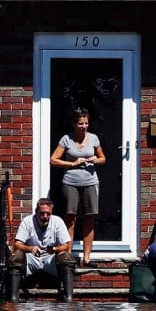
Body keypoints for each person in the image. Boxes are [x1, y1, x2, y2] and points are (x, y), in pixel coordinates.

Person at [50, 108, 106, 265]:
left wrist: (95, 160)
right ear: (74, 124)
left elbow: (103, 159)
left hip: (90, 182)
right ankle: (67, 255)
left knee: (89, 218)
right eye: (81, 123)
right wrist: (72, 163)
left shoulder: (94, 138)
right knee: (70, 218)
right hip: (71, 182)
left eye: (86, 123)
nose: (84, 126)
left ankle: (87, 258)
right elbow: (53, 160)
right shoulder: (66, 139)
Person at [11, 196, 75, 285]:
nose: (45, 216)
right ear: (36, 211)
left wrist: (55, 249)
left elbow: (66, 245)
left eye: (48, 214)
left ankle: (68, 297)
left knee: (66, 257)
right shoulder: (27, 221)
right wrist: (30, 248)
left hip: (50, 258)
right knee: (16, 256)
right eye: (42, 213)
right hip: (31, 258)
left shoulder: (58, 221)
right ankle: (13, 296)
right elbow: (17, 244)